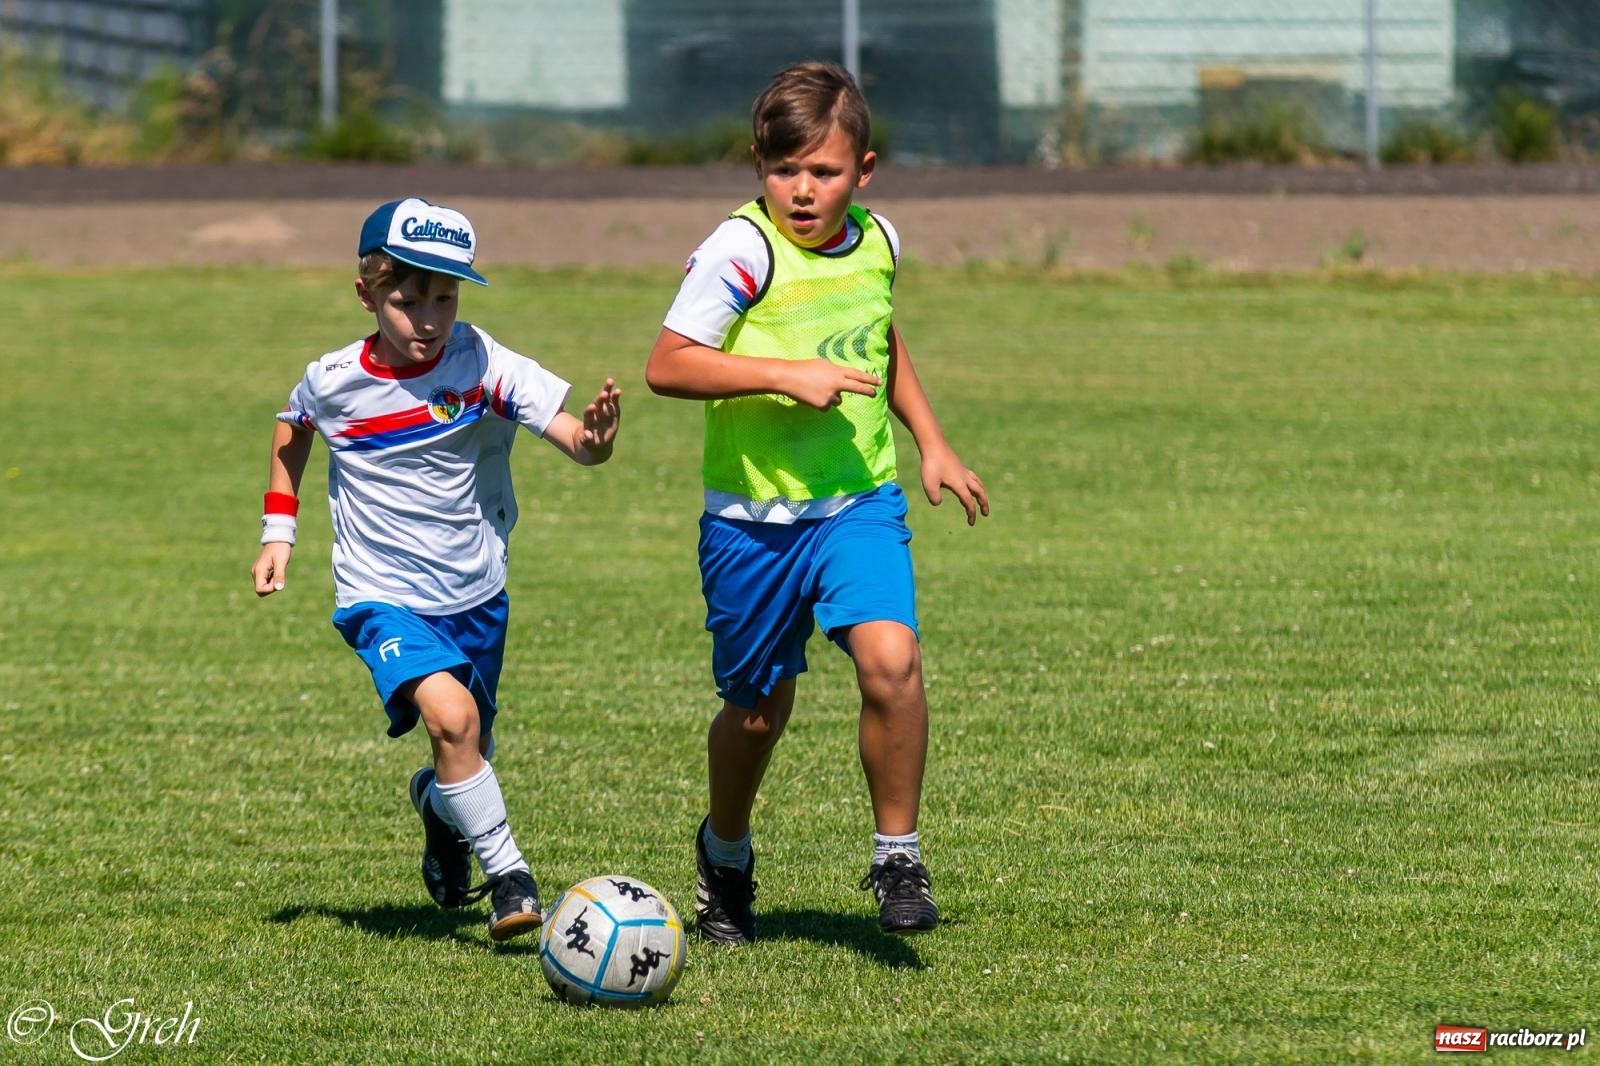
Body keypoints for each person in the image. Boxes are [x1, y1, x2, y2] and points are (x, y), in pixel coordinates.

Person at [644, 62, 988, 945]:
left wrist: (932, 441)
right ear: (757, 166)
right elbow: (668, 364)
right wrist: (782, 374)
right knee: (759, 711)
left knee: (892, 662)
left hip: (857, 502)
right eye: (783, 169)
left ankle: (898, 857)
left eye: (824, 172)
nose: (802, 190)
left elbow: (881, 338)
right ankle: (725, 854)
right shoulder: (742, 250)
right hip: (750, 522)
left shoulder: (879, 241)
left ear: (863, 171)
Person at [251, 197, 621, 942]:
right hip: (380, 594)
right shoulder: (332, 379)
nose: (428, 319)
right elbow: (294, 429)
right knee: (451, 719)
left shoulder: (482, 361)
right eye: (408, 300)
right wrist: (278, 531)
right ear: (366, 295)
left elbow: (573, 440)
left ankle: (438, 808)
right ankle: (511, 877)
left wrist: (596, 440)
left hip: (475, 591)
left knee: (468, 746)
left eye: (444, 299)